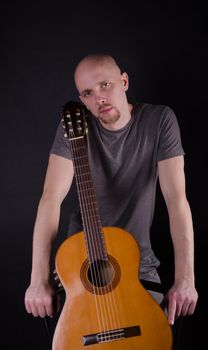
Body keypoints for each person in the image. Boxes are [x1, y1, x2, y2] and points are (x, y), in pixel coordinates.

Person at [24, 53, 198, 334]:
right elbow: (50, 199)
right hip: (82, 266)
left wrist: (185, 279)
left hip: (138, 265)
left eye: (106, 85)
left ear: (125, 81)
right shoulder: (73, 127)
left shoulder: (159, 121)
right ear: (82, 100)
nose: (99, 98)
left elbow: (177, 202)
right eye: (88, 93)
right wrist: (37, 279)